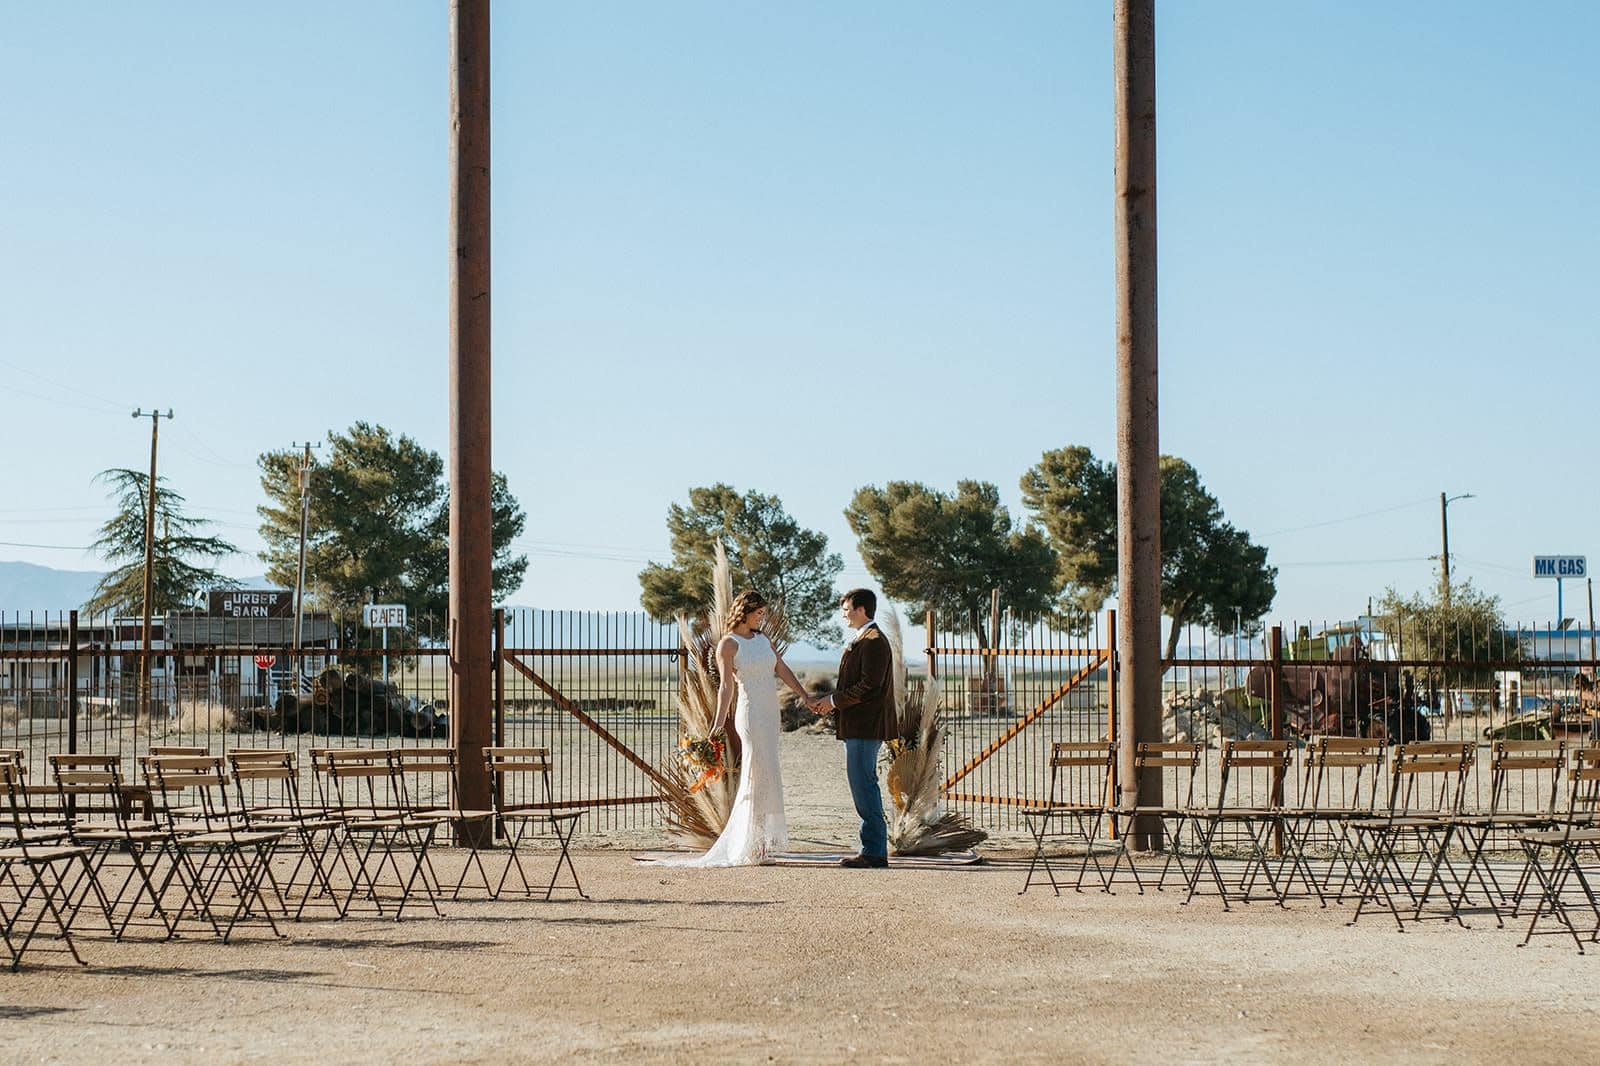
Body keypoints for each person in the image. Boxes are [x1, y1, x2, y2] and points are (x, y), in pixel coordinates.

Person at [654, 589, 810, 867]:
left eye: (763, 614)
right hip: (750, 714)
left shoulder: (763, 639)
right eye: (758, 613)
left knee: (768, 774)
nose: (761, 618)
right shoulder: (728, 644)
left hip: (770, 714)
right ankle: (750, 845)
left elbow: (782, 668)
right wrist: (717, 723)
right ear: (744, 612)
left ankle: (761, 844)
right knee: (755, 774)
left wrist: (805, 695)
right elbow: (726, 686)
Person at [809, 589, 896, 868]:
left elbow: (869, 686)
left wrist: (833, 701)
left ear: (861, 609)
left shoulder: (874, 641)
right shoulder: (864, 639)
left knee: (864, 786)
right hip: (858, 726)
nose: (844, 615)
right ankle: (873, 849)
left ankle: (874, 851)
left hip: (865, 727)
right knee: (862, 785)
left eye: (846, 609)